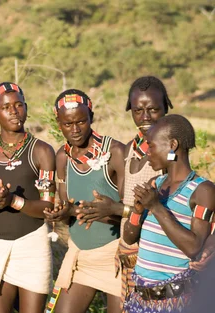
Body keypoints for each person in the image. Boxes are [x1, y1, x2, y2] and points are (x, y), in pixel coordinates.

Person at [74, 76, 172, 311]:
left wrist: (117, 209)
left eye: (153, 109)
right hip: (129, 254)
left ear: (166, 108)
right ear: (130, 110)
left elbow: (170, 208)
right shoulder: (129, 150)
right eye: (138, 110)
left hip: (157, 257)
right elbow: (128, 201)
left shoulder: (171, 150)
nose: (145, 117)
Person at [0, 82, 54, 313]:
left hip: (32, 245)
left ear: (26, 107)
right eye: (6, 107)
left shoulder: (42, 151)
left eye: (19, 105)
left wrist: (13, 201)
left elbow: (48, 206)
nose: (14, 111)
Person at [122, 114, 215, 313]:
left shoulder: (202, 191)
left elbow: (193, 247)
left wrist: (156, 207)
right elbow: (129, 237)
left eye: (152, 146)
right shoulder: (155, 185)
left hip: (175, 302)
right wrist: (138, 211)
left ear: (172, 145)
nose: (147, 153)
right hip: (140, 298)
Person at [44, 89, 126, 313]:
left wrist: (110, 211)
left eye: (81, 121)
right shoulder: (63, 157)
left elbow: (134, 212)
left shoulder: (116, 152)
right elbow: (69, 206)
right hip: (80, 254)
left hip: (115, 255)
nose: (75, 129)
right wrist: (62, 213)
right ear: (58, 122)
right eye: (67, 124)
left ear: (91, 117)